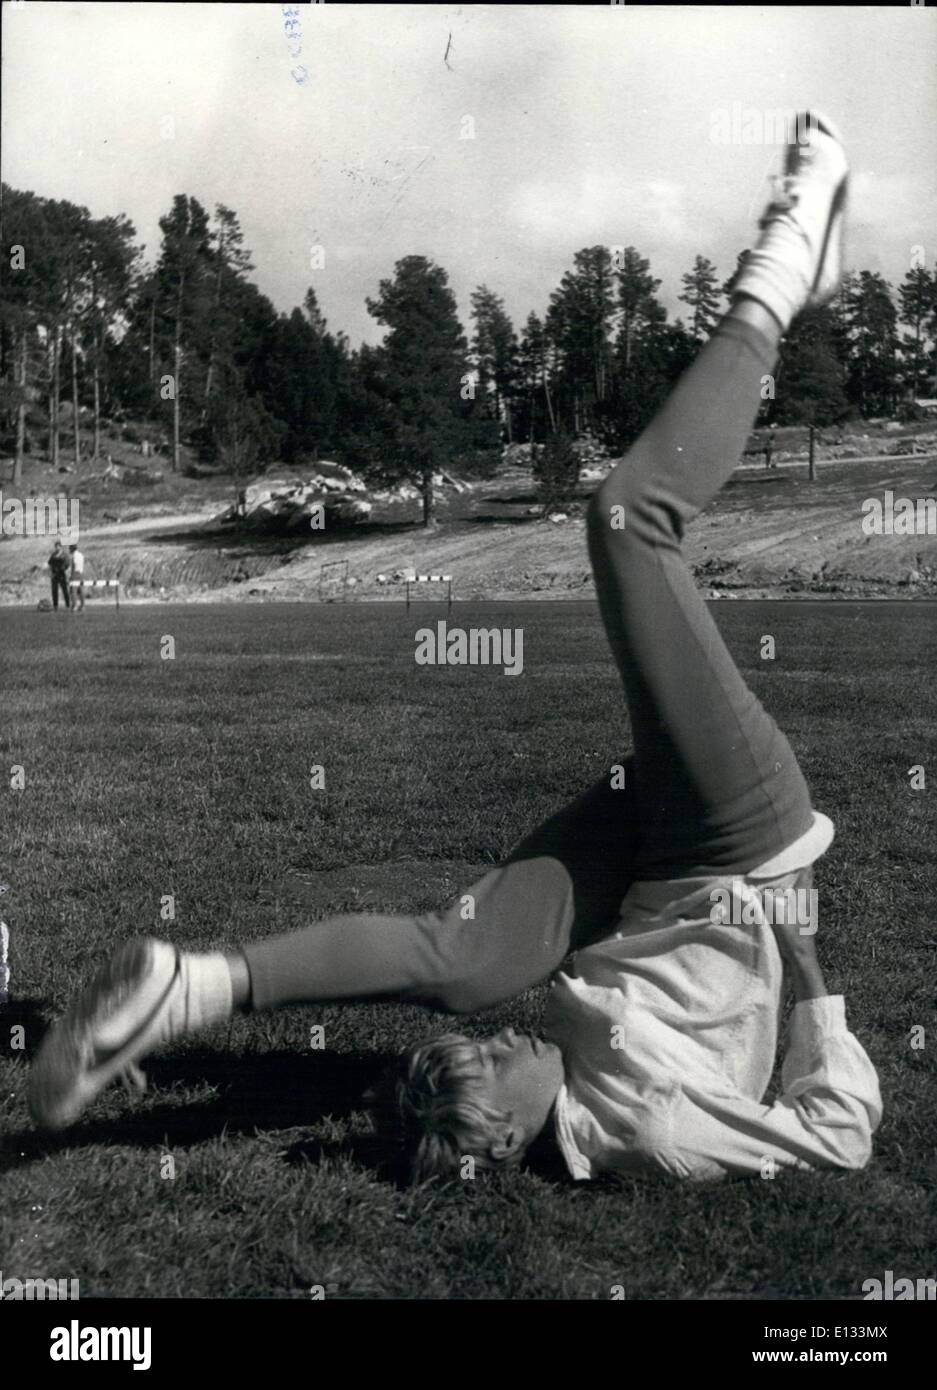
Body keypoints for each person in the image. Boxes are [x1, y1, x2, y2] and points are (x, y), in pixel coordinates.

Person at [28, 111, 881, 1187]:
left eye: (475, 1059)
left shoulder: (543, 1073)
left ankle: (187, 986)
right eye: (486, 1070)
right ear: (494, 1141)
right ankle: (798, 235)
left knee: (470, 964)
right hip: (738, 843)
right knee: (627, 519)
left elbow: (498, 1023)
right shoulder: (656, 1129)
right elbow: (837, 1133)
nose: (496, 1050)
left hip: (645, 878)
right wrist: (811, 982)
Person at [47, 541, 70, 610]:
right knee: (54, 590)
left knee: (64, 590)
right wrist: (51, 572)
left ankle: (67, 605)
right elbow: (49, 563)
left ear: (61, 547)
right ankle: (55, 605)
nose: (57, 548)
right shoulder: (53, 555)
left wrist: (63, 569)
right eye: (56, 547)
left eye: (58, 546)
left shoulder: (64, 555)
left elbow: (67, 564)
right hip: (54, 574)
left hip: (61, 574)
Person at [69, 543, 86, 613]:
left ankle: (75, 605)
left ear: (71, 549)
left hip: (75, 574)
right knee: (81, 590)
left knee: (74, 591)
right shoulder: (81, 555)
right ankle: (83, 606)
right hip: (81, 573)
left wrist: (71, 575)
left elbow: (74, 565)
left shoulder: (74, 556)